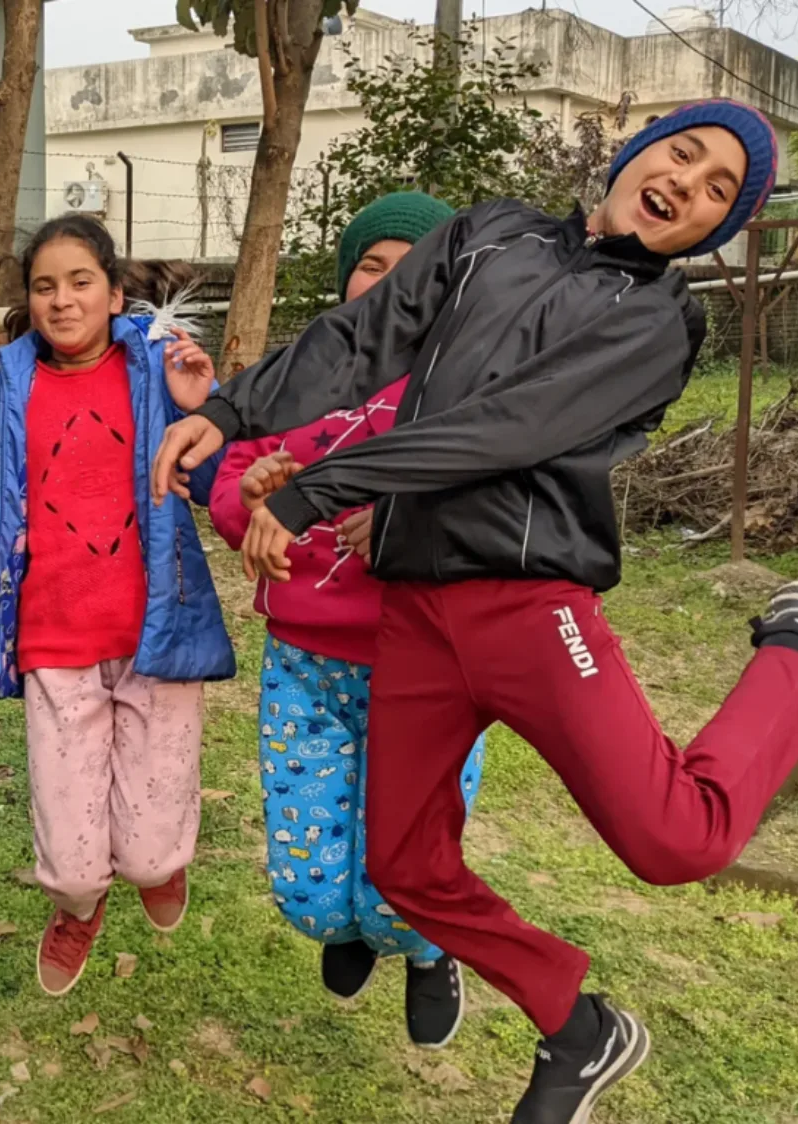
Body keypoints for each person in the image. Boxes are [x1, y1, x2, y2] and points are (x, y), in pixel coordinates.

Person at [150, 101, 798, 1124]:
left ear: (708, 234)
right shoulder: (489, 234)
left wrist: (321, 485)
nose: (684, 188)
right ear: (639, 145)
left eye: (712, 197)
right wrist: (229, 409)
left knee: (674, 840)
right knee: (404, 863)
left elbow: (503, 427)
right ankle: (577, 1025)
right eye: (683, 155)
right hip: (414, 609)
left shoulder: (656, 322)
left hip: (525, 602)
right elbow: (364, 333)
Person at [0, 214, 232, 1000]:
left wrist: (200, 405)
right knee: (74, 863)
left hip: (157, 642)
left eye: (81, 282)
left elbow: (214, 487)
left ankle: (151, 867)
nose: (62, 300)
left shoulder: (160, 372)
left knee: (150, 852)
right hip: (52, 642)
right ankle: (79, 909)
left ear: (116, 293)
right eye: (45, 286)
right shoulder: (9, 386)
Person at [208, 192, 484, 1050]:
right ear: (345, 280)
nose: (390, 279)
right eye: (371, 263)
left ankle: (428, 949)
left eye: (413, 266)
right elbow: (230, 479)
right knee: (311, 884)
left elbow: (501, 506)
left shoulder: (472, 387)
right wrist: (246, 500)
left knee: (413, 866)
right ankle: (347, 925)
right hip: (305, 661)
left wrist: (411, 521)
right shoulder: (299, 378)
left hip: (430, 668)